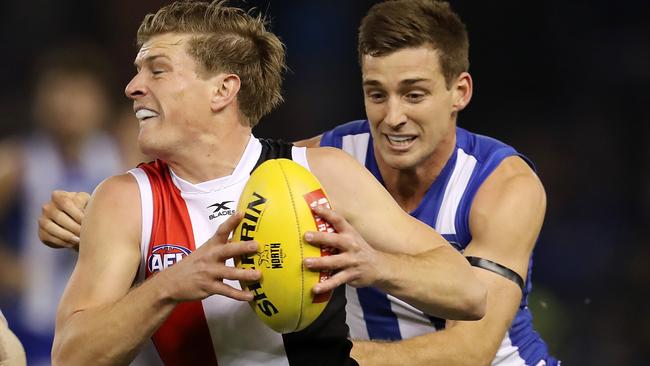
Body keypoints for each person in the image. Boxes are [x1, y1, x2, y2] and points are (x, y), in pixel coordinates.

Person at [48, 1, 486, 365]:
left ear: (223, 90)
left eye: (156, 70)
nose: (131, 87)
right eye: (137, 70)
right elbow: (69, 357)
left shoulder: (320, 172)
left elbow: (469, 294)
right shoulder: (125, 199)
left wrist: (374, 264)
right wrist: (168, 285)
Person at [0, 44, 123, 365]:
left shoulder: (124, 159)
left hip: (101, 318)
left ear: (103, 102)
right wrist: (9, 269)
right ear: (39, 99)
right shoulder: (15, 162)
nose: (68, 104)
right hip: (31, 321)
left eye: (81, 93)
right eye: (59, 90)